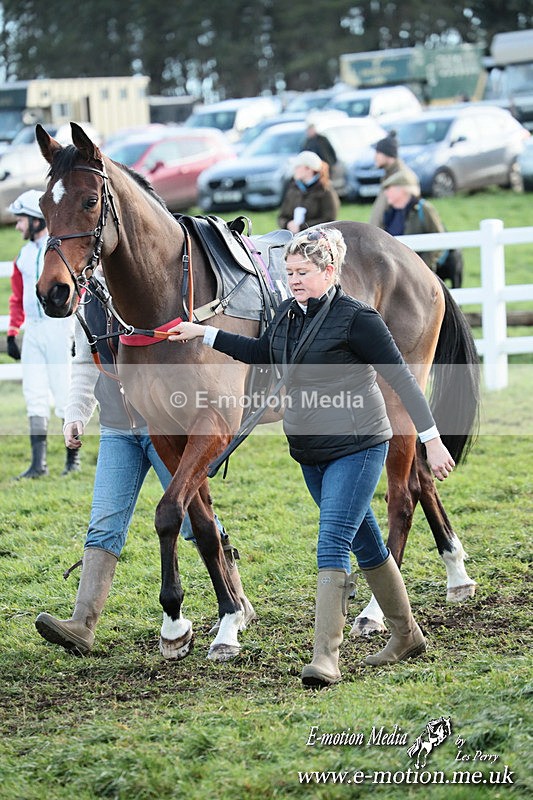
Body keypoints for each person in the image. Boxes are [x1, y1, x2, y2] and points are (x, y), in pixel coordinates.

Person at [166, 228, 455, 688]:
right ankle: (407, 635)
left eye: (302, 272)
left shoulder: (358, 319)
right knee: (367, 544)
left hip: (357, 447)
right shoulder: (286, 315)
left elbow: (401, 379)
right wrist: (204, 332)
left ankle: (326, 658)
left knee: (332, 542)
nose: (293, 280)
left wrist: (432, 439)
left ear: (329, 270)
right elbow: (262, 352)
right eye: (289, 272)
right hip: (311, 454)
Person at [35, 272, 254, 655]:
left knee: (191, 516)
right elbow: (86, 362)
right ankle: (83, 624)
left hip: (164, 423)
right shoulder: (89, 298)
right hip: (119, 428)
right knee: (104, 522)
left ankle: (236, 600)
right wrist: (75, 413)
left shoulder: (157, 292)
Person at [6, 189, 79, 479]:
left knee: (64, 393)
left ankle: (71, 460)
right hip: (33, 331)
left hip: (59, 329)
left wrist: (76, 334)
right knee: (33, 393)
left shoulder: (58, 252)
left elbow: (78, 291)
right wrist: (13, 331)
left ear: (36, 220)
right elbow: (16, 296)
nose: (17, 226)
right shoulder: (23, 256)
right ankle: (39, 463)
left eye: (21, 219)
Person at [381, 171, 445, 272]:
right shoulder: (389, 213)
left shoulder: (424, 209)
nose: (385, 192)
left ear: (402, 189)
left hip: (420, 276)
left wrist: (421, 267)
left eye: (389, 188)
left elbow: (439, 240)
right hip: (395, 273)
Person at [278, 150, 340, 234]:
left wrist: (302, 227)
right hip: (292, 238)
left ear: (308, 169)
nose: (294, 170)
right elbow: (282, 216)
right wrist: (287, 224)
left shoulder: (326, 190)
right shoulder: (293, 188)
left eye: (297, 167)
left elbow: (329, 220)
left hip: (316, 240)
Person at [369, 131, 419, 228]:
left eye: (378, 152)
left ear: (388, 154)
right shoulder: (388, 176)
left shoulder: (403, 179)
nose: (375, 157)